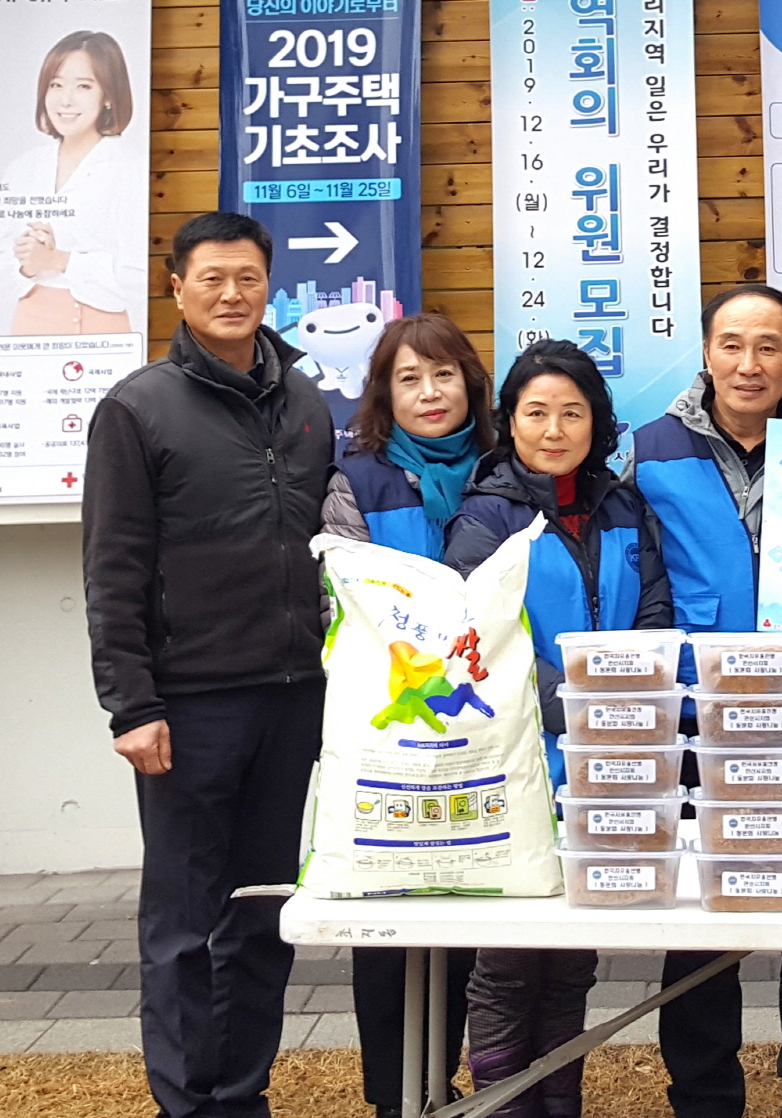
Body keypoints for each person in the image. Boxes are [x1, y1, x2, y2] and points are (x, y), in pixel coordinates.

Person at [82, 212, 334, 1118]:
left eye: (249, 278)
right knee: (186, 924)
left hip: (293, 696)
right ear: (177, 287)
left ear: (271, 285)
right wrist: (130, 704)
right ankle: (188, 1104)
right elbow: (110, 569)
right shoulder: (138, 407)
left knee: (262, 916)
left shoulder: (305, 402)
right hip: (188, 705)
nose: (233, 295)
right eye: (213, 279)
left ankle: (244, 1092)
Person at [628, 283, 782, 1118]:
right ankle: (703, 1096)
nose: (748, 363)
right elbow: (639, 572)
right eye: (732, 344)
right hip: (699, 712)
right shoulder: (649, 447)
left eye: (768, 345)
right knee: (702, 918)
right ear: (705, 352)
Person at [441, 338, 672, 1118]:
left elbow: (654, 611)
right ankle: (504, 1107)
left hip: (608, 761)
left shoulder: (621, 503)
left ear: (597, 422)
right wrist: (578, 706)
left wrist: (624, 703)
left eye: (572, 412)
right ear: (509, 422)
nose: (554, 427)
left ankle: (559, 1102)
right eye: (536, 411)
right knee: (508, 955)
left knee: (573, 954)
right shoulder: (487, 516)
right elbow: (481, 639)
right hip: (518, 760)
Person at [321, 311, 492, 1118]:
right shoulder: (356, 477)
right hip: (390, 723)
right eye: (409, 378)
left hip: (480, 718)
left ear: (471, 383)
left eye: (444, 375)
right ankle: (394, 1096)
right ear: (385, 394)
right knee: (389, 917)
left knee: (461, 909)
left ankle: (441, 1083)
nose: (430, 393)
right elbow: (342, 603)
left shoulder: (502, 466)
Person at [0, 30, 146, 334]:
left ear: (109, 97)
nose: (66, 100)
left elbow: (138, 275)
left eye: (84, 86)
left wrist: (61, 260)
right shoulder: (23, 168)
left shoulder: (129, 168)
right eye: (56, 85)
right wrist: (28, 264)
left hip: (103, 327)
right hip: (29, 325)